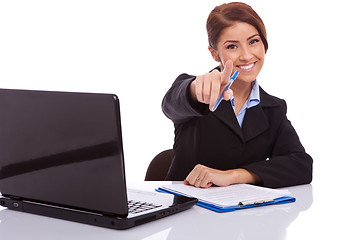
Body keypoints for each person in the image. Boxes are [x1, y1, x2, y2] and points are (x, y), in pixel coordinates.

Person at [162, 2, 313, 188]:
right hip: (186, 210)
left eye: (253, 41)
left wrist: (234, 175)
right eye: (232, 47)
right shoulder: (196, 92)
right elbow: (171, 104)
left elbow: (300, 165)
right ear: (215, 53)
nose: (247, 55)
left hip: (243, 214)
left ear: (264, 43)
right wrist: (195, 89)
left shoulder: (274, 108)